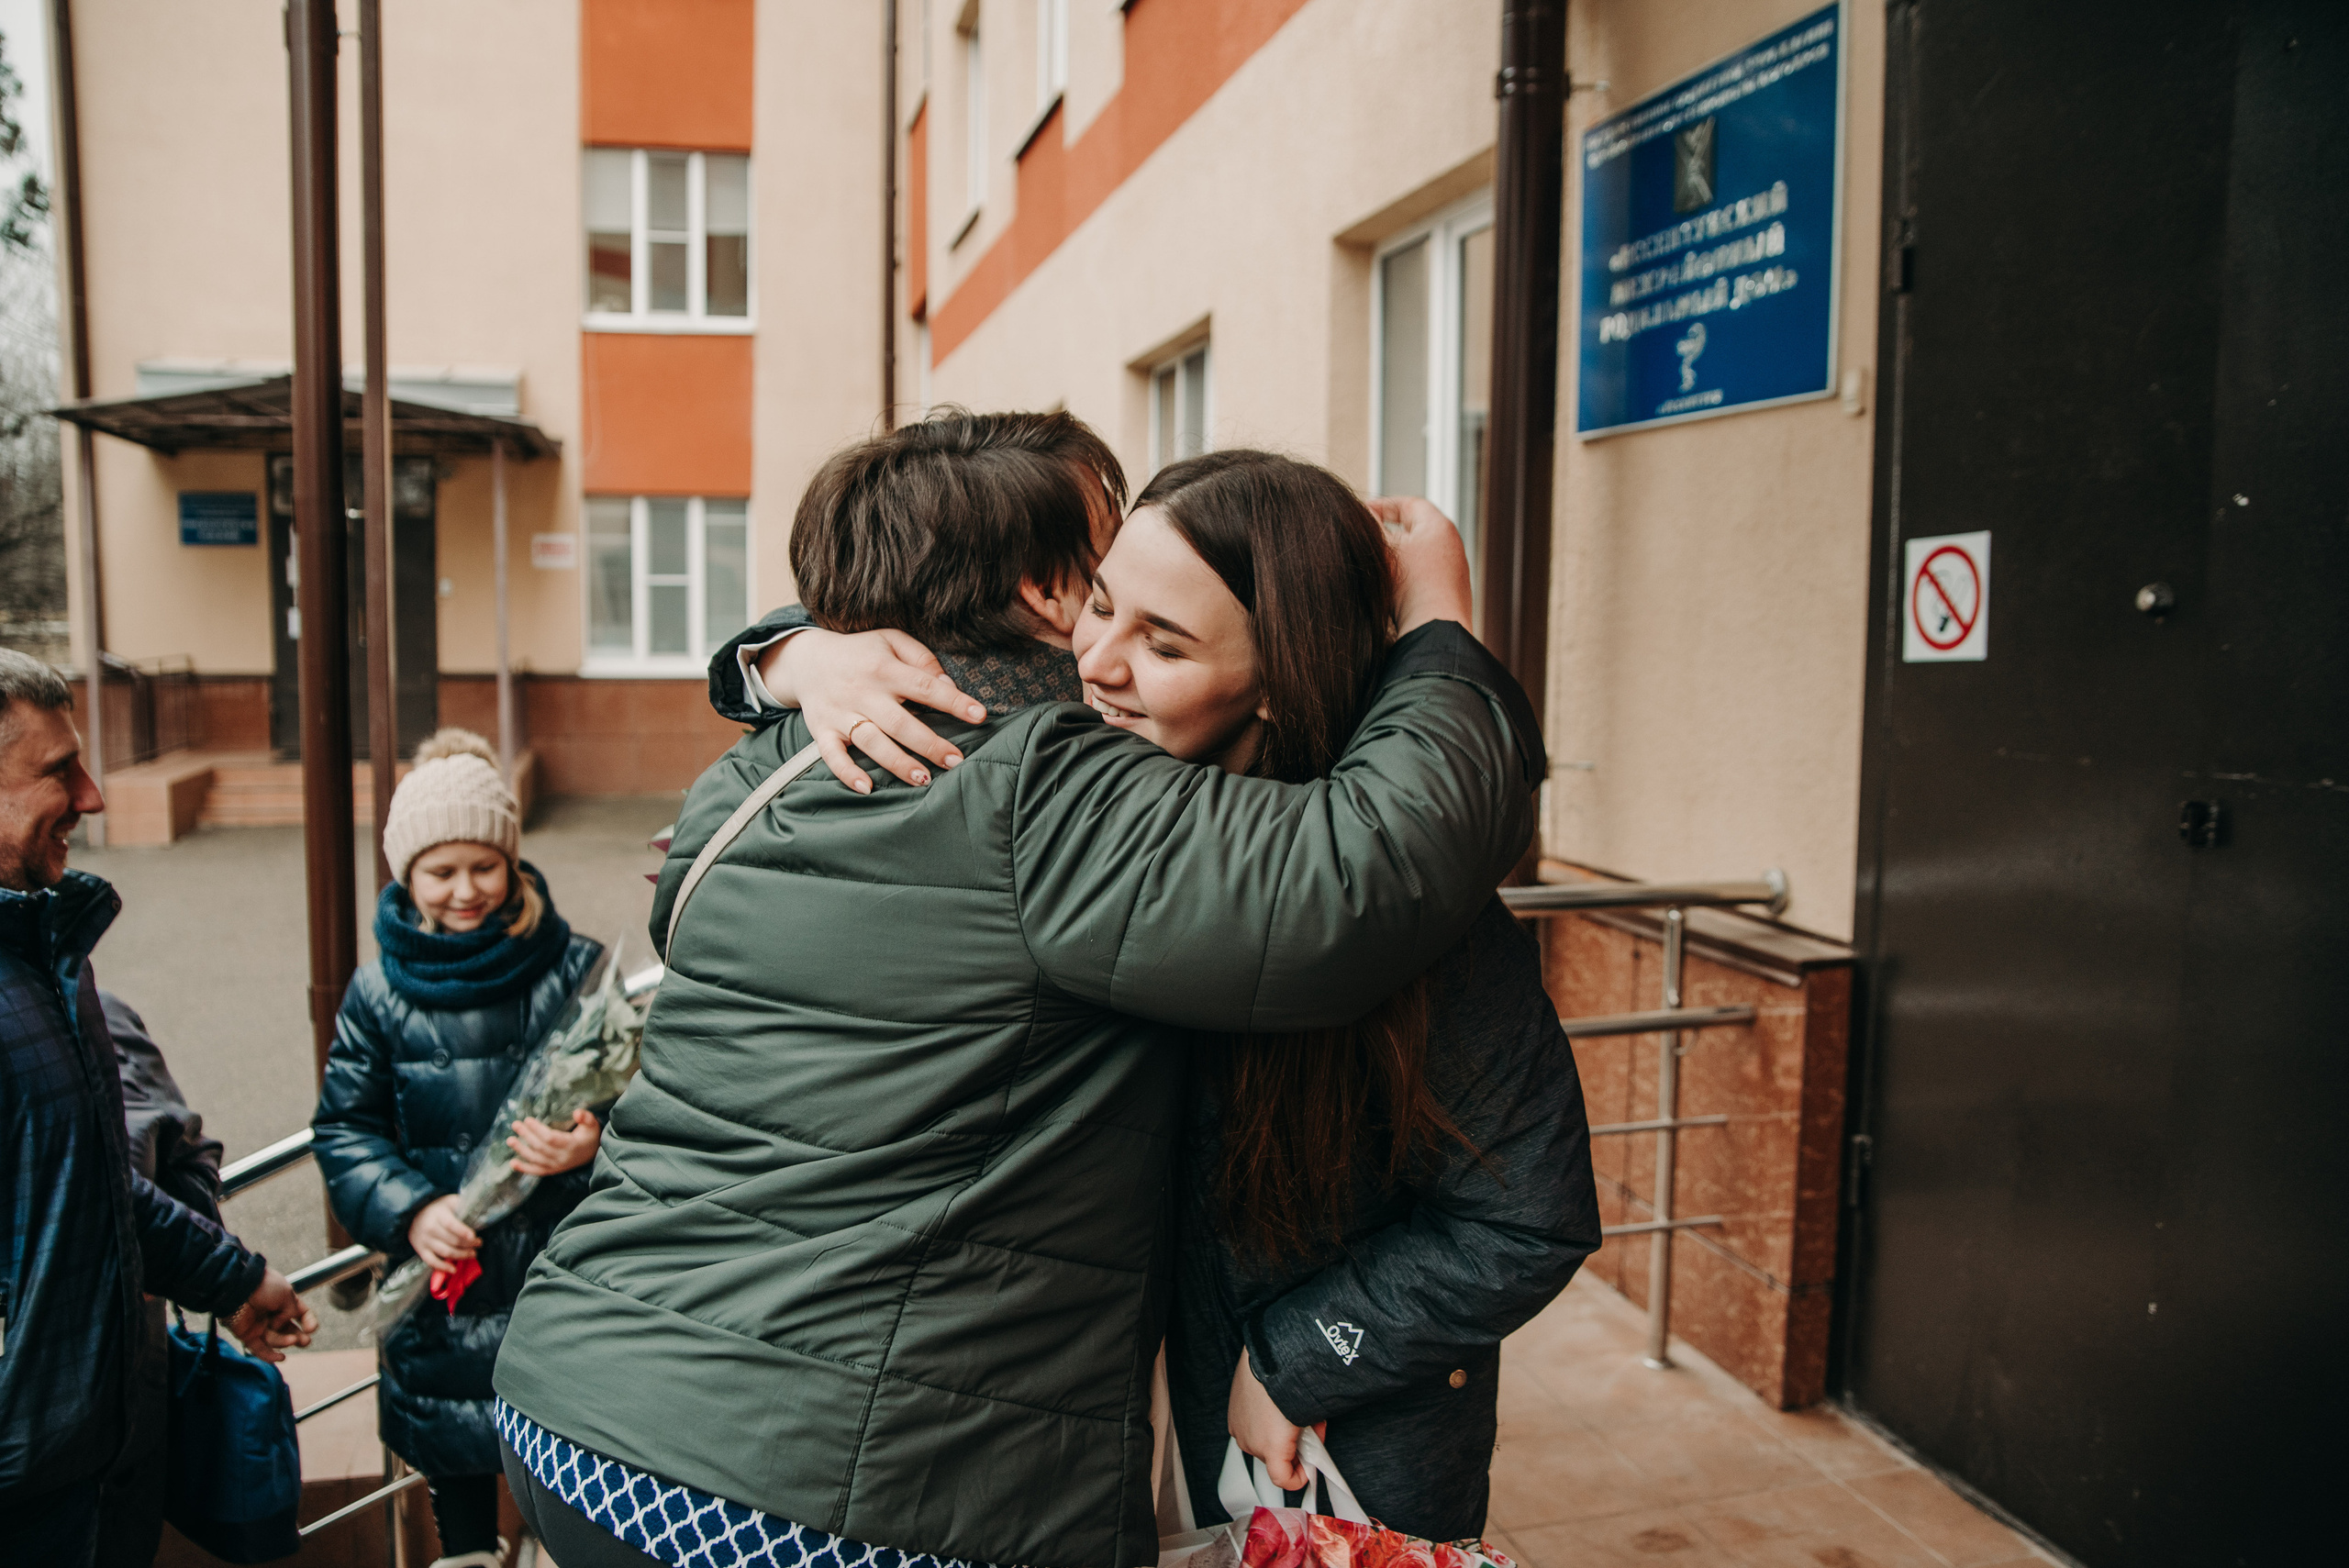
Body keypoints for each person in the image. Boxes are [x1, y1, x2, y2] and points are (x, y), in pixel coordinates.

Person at [492, 409, 1544, 1568]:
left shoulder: (762, 766)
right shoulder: (1055, 789)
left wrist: (781, 655)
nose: (1103, 641)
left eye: (1160, 628)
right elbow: (1374, 862)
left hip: (571, 1401)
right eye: (1099, 577)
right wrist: (1438, 626)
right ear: (1045, 589)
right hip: (792, 1490)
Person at [743, 450, 1602, 1539]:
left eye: (1165, 643)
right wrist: (792, 655)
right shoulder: (1073, 818)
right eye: (1100, 605)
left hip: (1305, 1456)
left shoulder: (1399, 913)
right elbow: (922, 611)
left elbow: (1526, 1216)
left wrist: (1300, 1356)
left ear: (1277, 678)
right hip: (1073, 1447)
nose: (1096, 662)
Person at [0, 649, 317, 1565]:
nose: (93, 797)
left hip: (89, 1474)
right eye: (59, 770)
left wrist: (235, 1278)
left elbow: (92, 1185)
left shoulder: (49, 956)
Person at [312, 729, 607, 1568]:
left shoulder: (573, 968)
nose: (467, 889)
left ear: (512, 860)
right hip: (447, 1280)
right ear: (407, 875)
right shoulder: (378, 993)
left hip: (557, 1271)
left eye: (485, 865)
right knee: (459, 1478)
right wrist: (411, 1209)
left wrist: (590, 1144)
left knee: (575, 1469)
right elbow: (346, 1128)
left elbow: (639, 1104)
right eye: (442, 871)